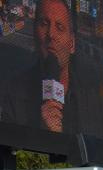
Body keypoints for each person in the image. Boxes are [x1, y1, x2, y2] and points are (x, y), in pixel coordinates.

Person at [0, 0, 91, 133]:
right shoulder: (14, 92)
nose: (51, 34)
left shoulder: (90, 98)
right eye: (44, 24)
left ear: (71, 44)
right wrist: (43, 134)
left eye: (59, 27)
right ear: (35, 33)